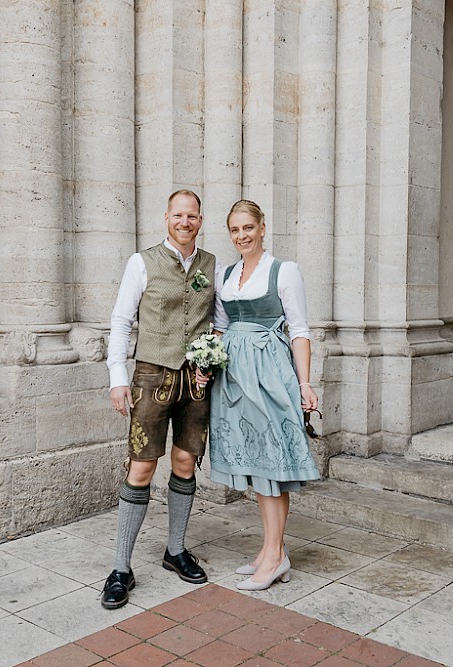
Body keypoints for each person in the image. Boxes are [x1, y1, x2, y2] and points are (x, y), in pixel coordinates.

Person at [102, 189, 228, 609]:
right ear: (167, 218)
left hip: (195, 381)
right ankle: (121, 567)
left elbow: (220, 320)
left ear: (200, 220)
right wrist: (117, 378)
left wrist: (213, 352)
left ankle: (175, 550)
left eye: (192, 216)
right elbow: (121, 321)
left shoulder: (212, 265)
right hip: (150, 375)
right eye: (178, 215)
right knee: (141, 467)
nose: (185, 222)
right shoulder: (142, 262)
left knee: (185, 461)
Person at [205, 199, 321, 591]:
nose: (242, 236)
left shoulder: (283, 271)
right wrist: (208, 363)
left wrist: (305, 383)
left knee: (274, 462)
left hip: (270, 372)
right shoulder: (226, 274)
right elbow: (220, 327)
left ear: (262, 227)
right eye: (235, 230)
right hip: (234, 378)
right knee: (257, 461)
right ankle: (273, 549)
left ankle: (274, 556)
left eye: (248, 228)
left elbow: (299, 330)